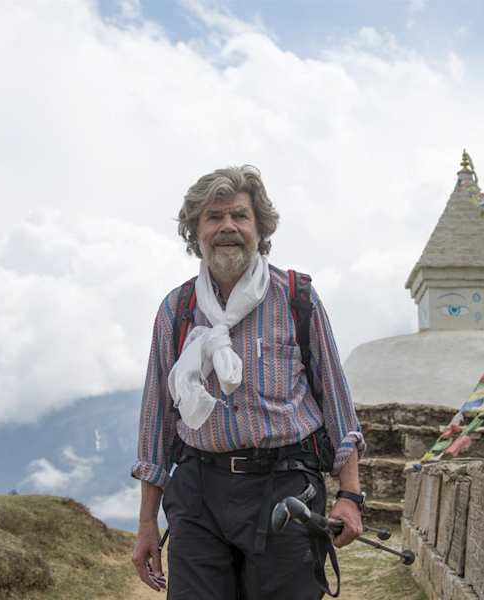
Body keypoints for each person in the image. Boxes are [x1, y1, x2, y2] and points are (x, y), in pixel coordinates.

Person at [131, 165, 366, 599]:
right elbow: (156, 422)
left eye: (240, 216)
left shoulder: (297, 298)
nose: (228, 227)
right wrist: (147, 521)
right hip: (199, 491)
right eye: (214, 217)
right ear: (195, 231)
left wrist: (350, 495)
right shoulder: (176, 310)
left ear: (260, 227)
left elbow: (336, 403)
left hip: (284, 487)